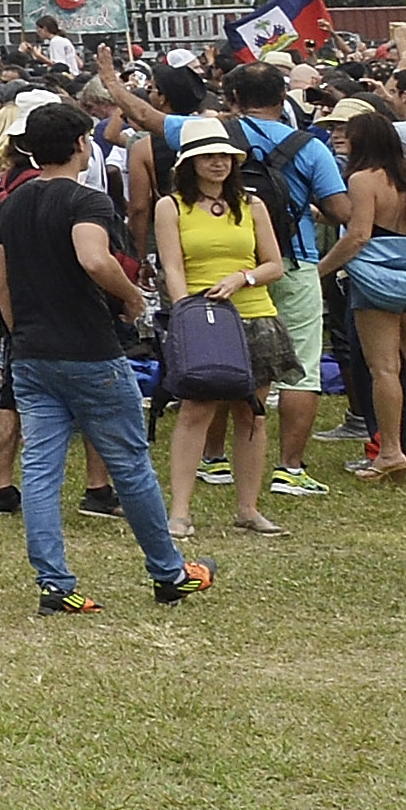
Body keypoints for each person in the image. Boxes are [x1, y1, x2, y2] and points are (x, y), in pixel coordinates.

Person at [0, 101, 206, 610]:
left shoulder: (9, 206)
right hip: (89, 349)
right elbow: (94, 257)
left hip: (32, 352)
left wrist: (21, 329)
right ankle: (167, 570)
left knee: (41, 469)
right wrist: (132, 298)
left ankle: (54, 584)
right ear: (82, 146)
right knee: (129, 462)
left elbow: (2, 284)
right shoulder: (85, 201)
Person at [148, 114, 288, 533]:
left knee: (253, 413)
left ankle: (248, 508)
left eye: (224, 155)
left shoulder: (252, 205)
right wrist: (185, 314)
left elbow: (274, 264)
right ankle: (180, 511)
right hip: (203, 319)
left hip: (254, 314)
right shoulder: (170, 206)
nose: (217, 163)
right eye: (207, 155)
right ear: (189, 162)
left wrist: (242, 278)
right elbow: (172, 266)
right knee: (196, 410)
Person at [225, 63, 345, 499]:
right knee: (302, 366)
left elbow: (149, 121)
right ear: (283, 97)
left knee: (225, 360)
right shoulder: (310, 147)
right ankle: (289, 468)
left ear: (232, 96)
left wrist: (110, 80)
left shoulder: (217, 137)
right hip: (296, 259)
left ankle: (216, 458)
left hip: (233, 264)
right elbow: (340, 210)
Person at [324, 105, 406, 477]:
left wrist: (323, 268)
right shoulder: (405, 178)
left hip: (375, 281)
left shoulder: (361, 180)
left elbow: (359, 235)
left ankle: (390, 451)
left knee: (384, 368)